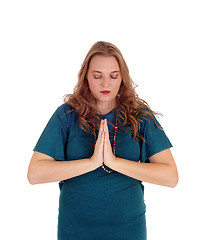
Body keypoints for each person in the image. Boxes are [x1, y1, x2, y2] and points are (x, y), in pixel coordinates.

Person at [27, 41, 178, 240]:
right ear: (86, 77)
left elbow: (170, 177)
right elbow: (35, 174)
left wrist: (114, 162)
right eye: (97, 76)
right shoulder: (66, 115)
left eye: (113, 76)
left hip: (128, 230)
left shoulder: (140, 116)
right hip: (75, 230)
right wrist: (92, 162)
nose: (105, 84)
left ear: (122, 77)